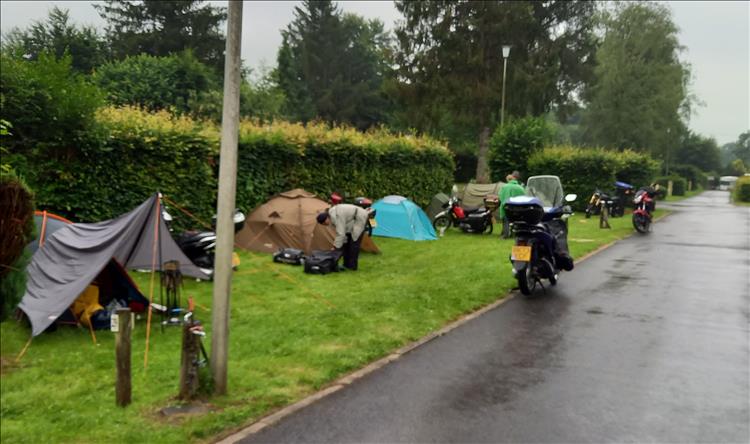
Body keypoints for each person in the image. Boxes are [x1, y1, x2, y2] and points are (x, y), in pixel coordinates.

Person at [316, 203, 369, 271]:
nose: (325, 225)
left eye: (324, 224)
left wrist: (335, 247)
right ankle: (346, 265)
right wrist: (340, 244)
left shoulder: (335, 217)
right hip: (352, 220)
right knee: (346, 243)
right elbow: (343, 233)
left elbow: (340, 233)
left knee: (354, 243)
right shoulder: (331, 215)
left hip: (360, 217)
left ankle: (352, 267)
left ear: (326, 219)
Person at [499, 170, 526, 238]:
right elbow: (524, 197)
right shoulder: (520, 188)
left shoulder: (504, 187)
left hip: (506, 208)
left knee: (505, 219)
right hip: (518, 209)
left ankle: (505, 234)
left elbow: (500, 197)